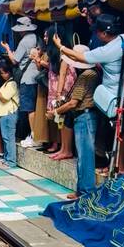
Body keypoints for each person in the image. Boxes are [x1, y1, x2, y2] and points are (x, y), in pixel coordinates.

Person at [47, 45, 100, 199]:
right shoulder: (93, 73)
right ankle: (82, 190)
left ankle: (85, 192)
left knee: (85, 157)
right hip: (86, 116)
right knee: (83, 156)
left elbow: (73, 103)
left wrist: (55, 112)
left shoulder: (86, 76)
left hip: (85, 116)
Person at [2, 16, 39, 148]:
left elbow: (15, 60)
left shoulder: (24, 42)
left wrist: (7, 49)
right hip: (37, 75)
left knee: (29, 109)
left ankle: (34, 136)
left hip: (27, 78)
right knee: (36, 107)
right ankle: (36, 134)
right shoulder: (36, 38)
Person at [45, 26, 77, 161]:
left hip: (63, 90)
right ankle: (63, 148)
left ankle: (66, 149)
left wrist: (58, 94)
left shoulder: (63, 53)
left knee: (63, 119)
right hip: (57, 88)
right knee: (60, 121)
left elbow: (63, 74)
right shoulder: (54, 54)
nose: (45, 38)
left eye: (47, 36)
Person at [0, 61, 19, 166]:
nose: (2, 75)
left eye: (3, 73)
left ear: (8, 73)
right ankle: (7, 159)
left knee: (9, 137)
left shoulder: (12, 84)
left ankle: (11, 161)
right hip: (4, 114)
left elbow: (4, 98)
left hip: (9, 113)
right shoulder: (6, 84)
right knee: (6, 137)